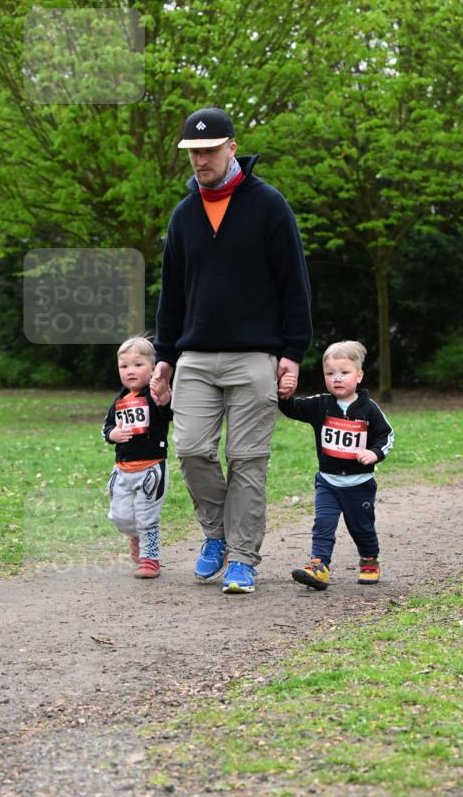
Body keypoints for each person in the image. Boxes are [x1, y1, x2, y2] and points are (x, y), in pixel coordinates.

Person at [151, 107, 312, 594]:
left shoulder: (268, 205)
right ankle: (216, 534)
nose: (200, 160)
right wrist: (164, 355)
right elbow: (172, 293)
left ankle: (243, 558)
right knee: (192, 449)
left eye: (209, 150)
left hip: (255, 356)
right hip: (195, 356)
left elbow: (294, 282)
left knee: (247, 459)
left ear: (232, 148)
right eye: (193, 153)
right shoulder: (184, 216)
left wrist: (293, 350)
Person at [278, 340, 393, 590]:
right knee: (323, 525)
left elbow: (386, 436)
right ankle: (319, 567)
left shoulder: (369, 409)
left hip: (359, 484)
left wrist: (374, 453)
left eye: (344, 373)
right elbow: (292, 409)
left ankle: (369, 560)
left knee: (361, 527)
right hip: (328, 482)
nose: (337, 379)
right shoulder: (321, 404)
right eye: (330, 374)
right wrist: (284, 394)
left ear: (359, 375)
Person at [102, 337, 172, 578]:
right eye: (124, 366)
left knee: (147, 516)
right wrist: (114, 433)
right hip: (122, 469)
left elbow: (168, 410)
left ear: (153, 368)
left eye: (138, 365)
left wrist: (164, 394)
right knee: (120, 517)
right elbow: (106, 428)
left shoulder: (156, 395)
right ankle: (134, 535)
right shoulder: (119, 400)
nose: (130, 371)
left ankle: (150, 559)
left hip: (151, 468)